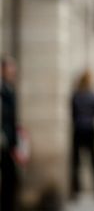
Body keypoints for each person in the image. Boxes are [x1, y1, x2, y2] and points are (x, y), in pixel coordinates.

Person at [70, 70, 94, 200]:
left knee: (76, 161)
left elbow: (72, 112)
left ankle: (75, 189)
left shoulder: (76, 95)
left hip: (78, 129)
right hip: (90, 129)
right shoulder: (93, 95)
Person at [1, 56, 19, 211]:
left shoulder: (9, 89)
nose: (14, 71)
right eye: (10, 68)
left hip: (8, 142)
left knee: (11, 180)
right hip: (3, 141)